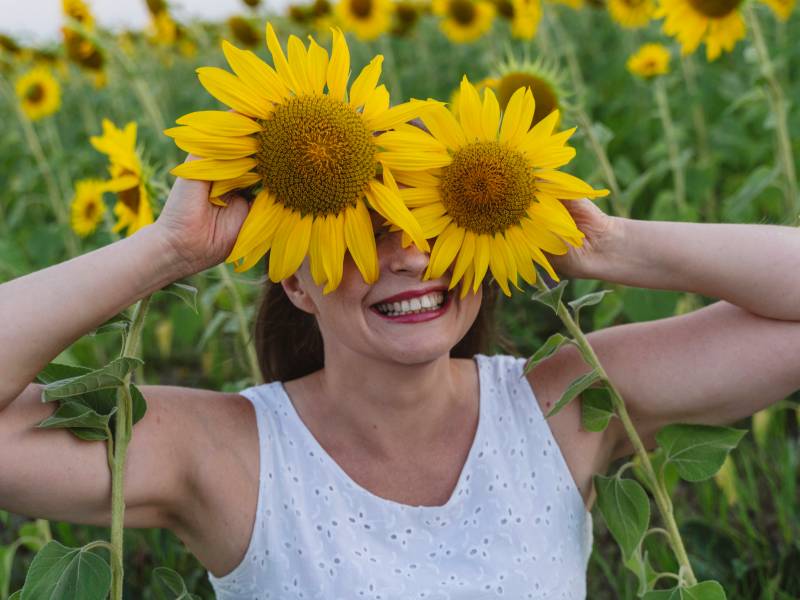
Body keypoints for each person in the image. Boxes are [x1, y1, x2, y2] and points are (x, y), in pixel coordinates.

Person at [1, 160, 799, 599]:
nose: (410, 256)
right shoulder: (227, 456)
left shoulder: (564, 405)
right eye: (364, 232)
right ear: (297, 284)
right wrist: (169, 251)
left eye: (436, 227)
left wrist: (610, 246)